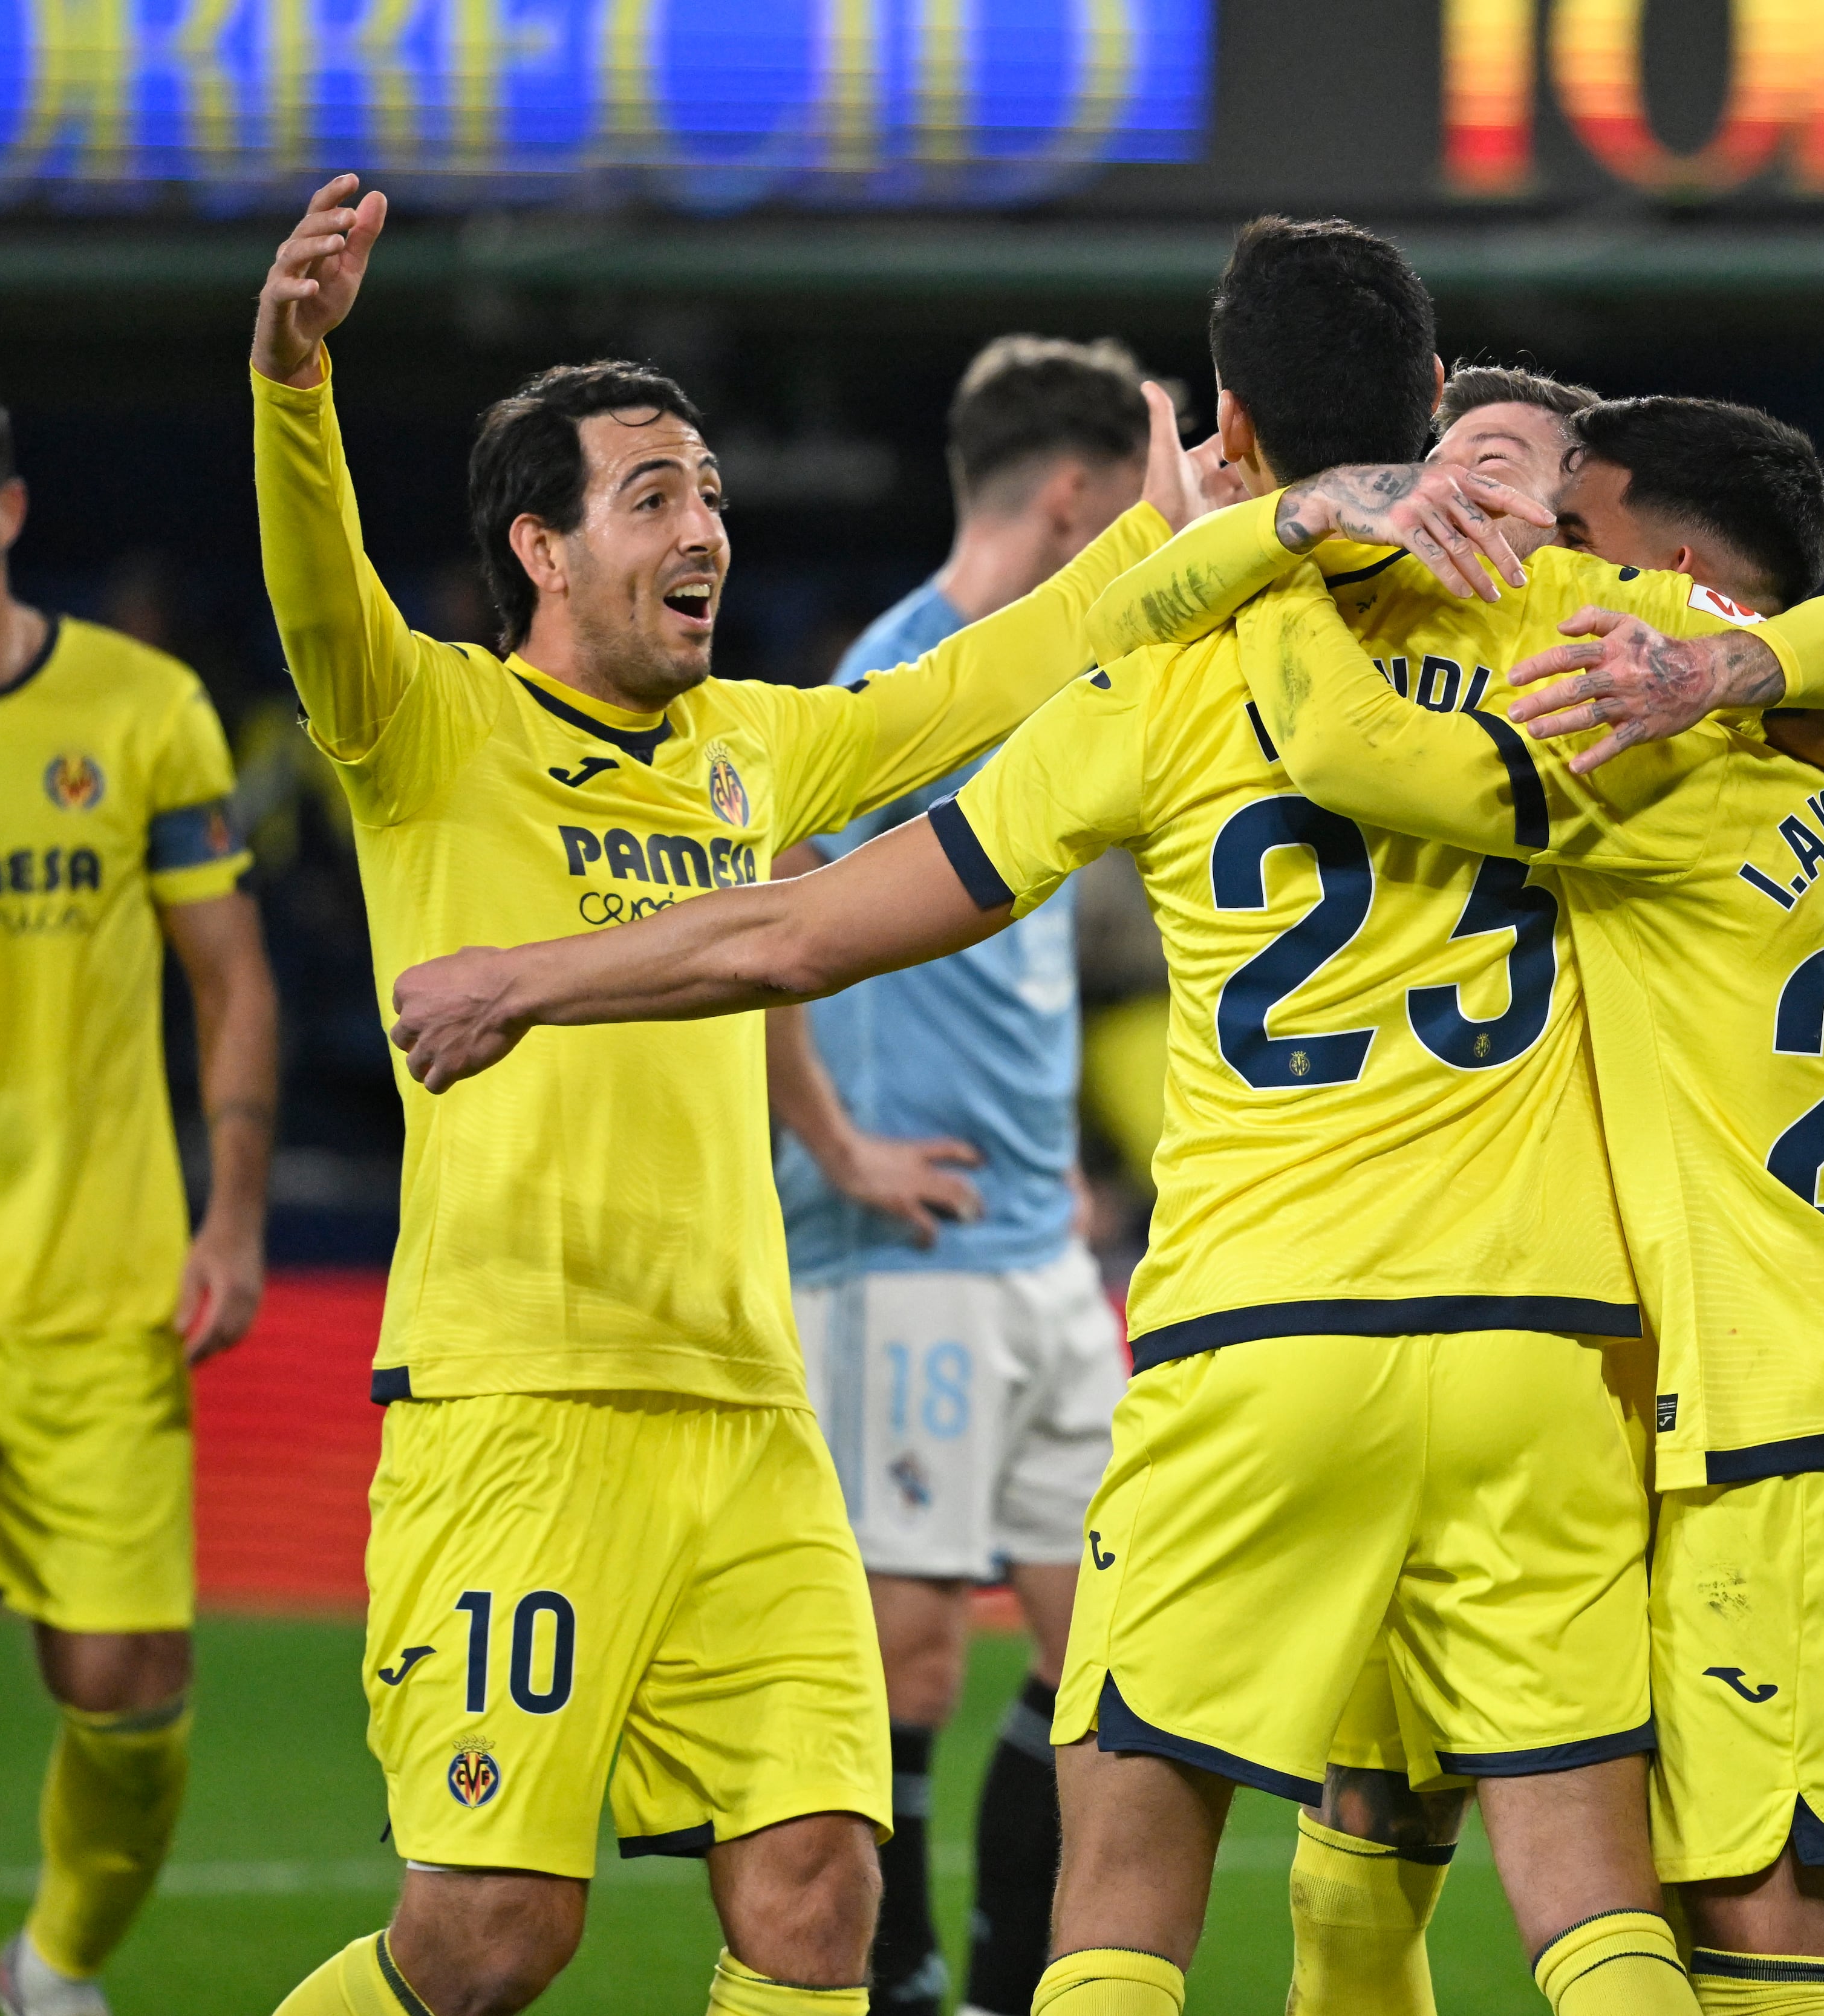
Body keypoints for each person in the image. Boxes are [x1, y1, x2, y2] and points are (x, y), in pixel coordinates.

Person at [383, 217, 1824, 2016]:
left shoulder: (1172, 675)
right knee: (1587, 1894)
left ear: (1229, 416)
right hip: (1546, 1347)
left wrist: (527, 976)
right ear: (1439, 404)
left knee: (1129, 1882)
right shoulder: (1589, 631)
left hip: (1258, 1339)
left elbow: (804, 928)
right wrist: (1733, 668)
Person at [244, 172, 1199, 2016]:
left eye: (716, 498)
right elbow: (312, 587)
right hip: (522, 1400)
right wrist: (292, 381)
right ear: (541, 547)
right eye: (656, 495)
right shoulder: (426, 724)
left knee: (818, 1888)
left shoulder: (760, 747)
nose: (708, 531)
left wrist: (1177, 545)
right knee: (492, 1935)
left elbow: (996, 670)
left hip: (753, 1410)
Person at [1100, 391, 1824, 2016]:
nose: (1539, 561)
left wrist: (1239, 553)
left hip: (1773, 1419)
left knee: (1755, 1967)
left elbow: (1358, 751)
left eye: (1574, 534)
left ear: (1676, 582)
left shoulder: (1645, 760)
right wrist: (1746, 664)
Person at [0, 362, 276, 2016]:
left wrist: (231, 1214)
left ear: (3, 511)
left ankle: (56, 1962)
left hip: (101, 1294)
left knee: (127, 1697)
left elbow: (232, 979)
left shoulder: (145, 710)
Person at [770, 336, 1153, 2016]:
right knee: (914, 1645)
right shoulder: (903, 671)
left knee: (1105, 1655)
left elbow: (1011, 961)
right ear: (1071, 493)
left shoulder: (1053, 685)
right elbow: (770, 892)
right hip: (899, 1243)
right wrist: (835, 1140)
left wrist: (1060, 1154)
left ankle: (1003, 1982)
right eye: (1133, 506)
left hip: (1033, 1249)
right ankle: (899, 1980)